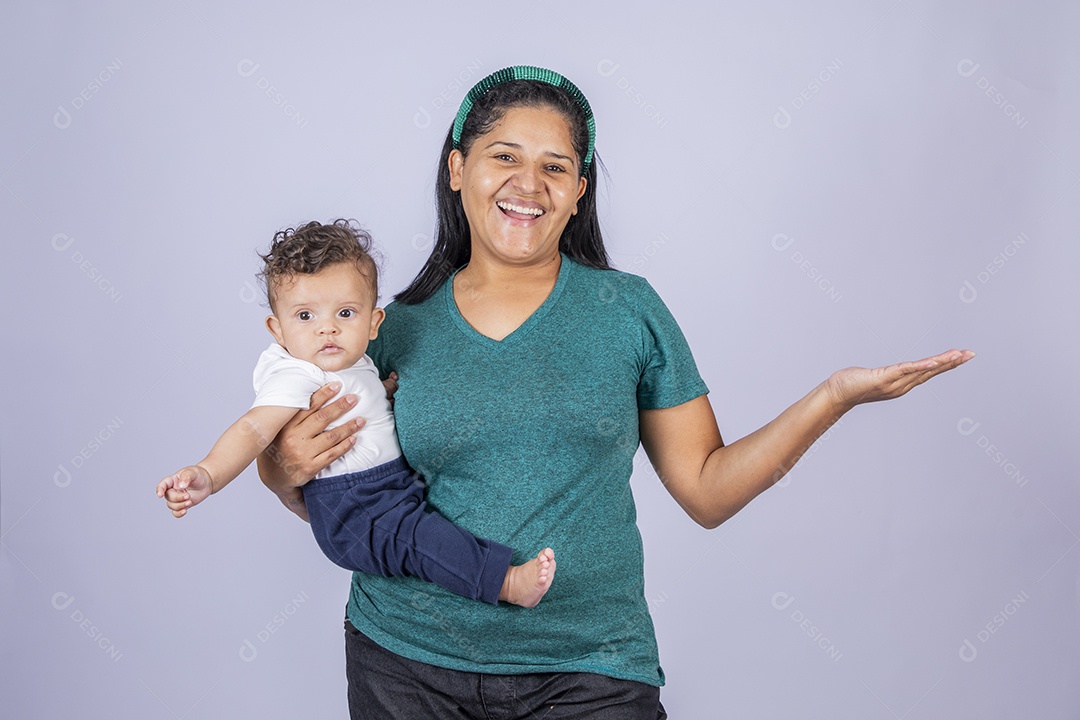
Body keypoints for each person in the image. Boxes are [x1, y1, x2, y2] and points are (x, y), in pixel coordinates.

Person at [258, 66, 974, 719]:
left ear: (578, 191)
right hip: (404, 663)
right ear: (458, 169)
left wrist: (834, 397)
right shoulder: (383, 330)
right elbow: (328, 486)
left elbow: (707, 492)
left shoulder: (628, 312)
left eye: (555, 166)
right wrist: (278, 466)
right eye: (504, 156)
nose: (527, 184)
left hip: (589, 671)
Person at [155, 219, 555, 608]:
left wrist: (382, 396)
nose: (326, 329)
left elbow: (352, 404)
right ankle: (504, 581)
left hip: (385, 487)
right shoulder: (295, 371)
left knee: (430, 532)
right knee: (424, 540)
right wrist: (209, 473)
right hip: (353, 503)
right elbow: (252, 428)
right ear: (277, 330)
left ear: (373, 321)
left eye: (345, 313)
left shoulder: (353, 362)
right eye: (305, 316)